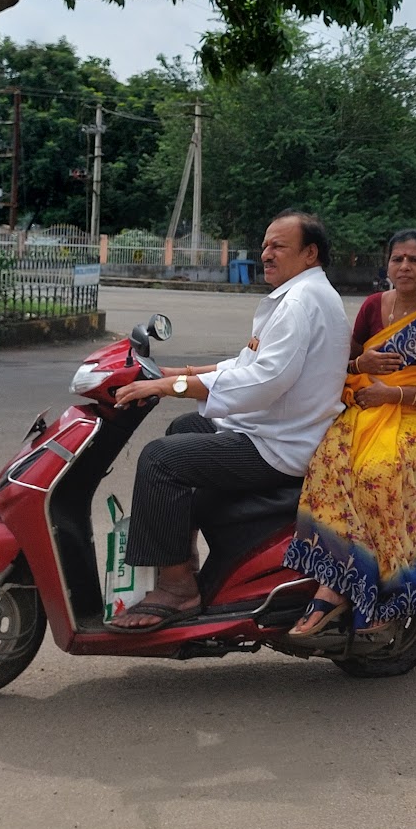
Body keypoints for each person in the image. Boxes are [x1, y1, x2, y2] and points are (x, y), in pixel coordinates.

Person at [107, 211, 350, 633]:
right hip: (273, 430)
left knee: (161, 460)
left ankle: (178, 588)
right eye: (265, 245)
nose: (266, 254)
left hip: (280, 445)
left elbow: (264, 381)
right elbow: (246, 360)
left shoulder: (300, 301)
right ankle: (184, 556)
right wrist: (176, 374)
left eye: (279, 246)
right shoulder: (298, 296)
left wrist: (169, 389)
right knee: (184, 430)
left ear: (310, 253)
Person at [286, 228, 416, 636]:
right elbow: (345, 362)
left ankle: (392, 593)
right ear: (387, 264)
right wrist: (361, 364)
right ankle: (335, 581)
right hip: (371, 403)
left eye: (414, 260)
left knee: (379, 475)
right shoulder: (374, 307)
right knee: (327, 463)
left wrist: (392, 392)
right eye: (397, 259)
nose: (404, 267)